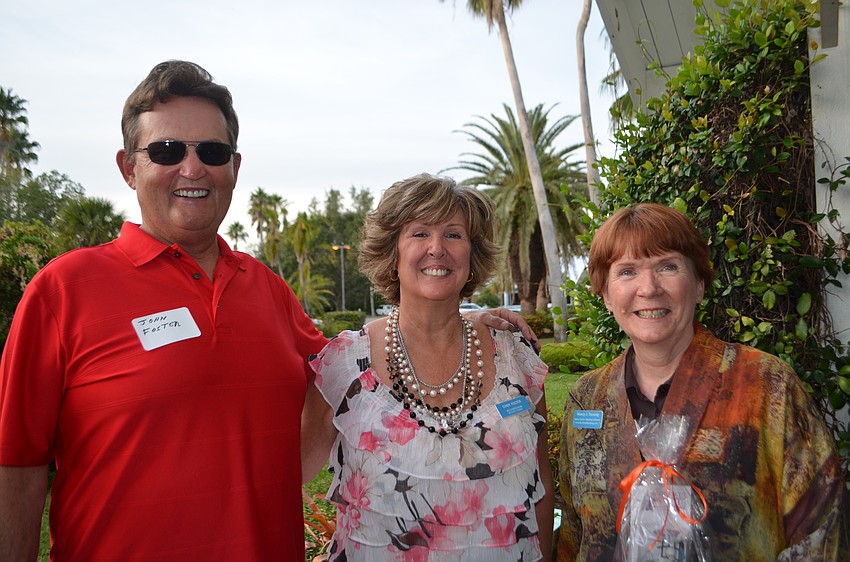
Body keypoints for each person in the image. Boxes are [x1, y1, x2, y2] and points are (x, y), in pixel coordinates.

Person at [0, 61, 537, 561]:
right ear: (128, 167)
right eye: (166, 150)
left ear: (234, 166)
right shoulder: (64, 290)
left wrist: (461, 323)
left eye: (212, 152)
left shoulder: (267, 290)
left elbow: (369, 359)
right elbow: (16, 465)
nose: (192, 167)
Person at [556, 203, 850, 561]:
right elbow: (574, 535)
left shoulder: (765, 385)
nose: (648, 288)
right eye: (627, 271)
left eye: (667, 266)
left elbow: (822, 528)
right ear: (605, 294)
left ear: (698, 285)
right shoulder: (587, 399)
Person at [301, 173, 555, 560]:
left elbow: (541, 485)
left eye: (453, 234)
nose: (437, 248)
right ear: (393, 254)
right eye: (420, 233)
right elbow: (285, 482)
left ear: (472, 255)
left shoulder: (517, 358)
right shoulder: (344, 366)